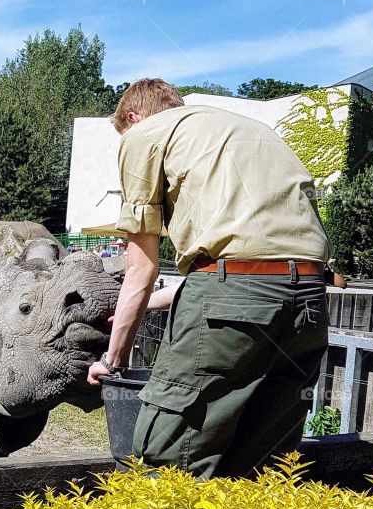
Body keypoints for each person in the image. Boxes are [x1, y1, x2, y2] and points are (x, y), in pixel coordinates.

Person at [87, 78, 331, 479]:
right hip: (308, 301)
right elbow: (243, 271)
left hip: (231, 294)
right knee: (263, 466)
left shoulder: (144, 135)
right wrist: (142, 306)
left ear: (133, 117)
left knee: (166, 459)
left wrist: (113, 361)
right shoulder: (249, 131)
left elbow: (142, 266)